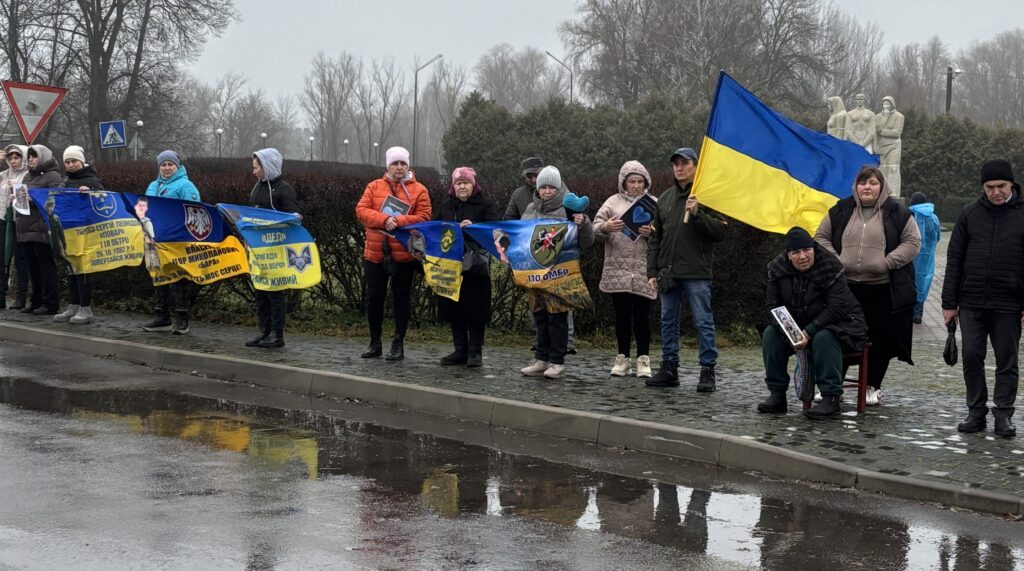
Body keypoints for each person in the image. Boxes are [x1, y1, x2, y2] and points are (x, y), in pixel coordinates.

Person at [815, 165, 921, 406]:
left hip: (882, 288)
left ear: (881, 186)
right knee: (838, 336)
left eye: (872, 183)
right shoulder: (841, 209)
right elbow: (820, 237)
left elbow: (913, 241)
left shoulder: (898, 212)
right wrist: (836, 260)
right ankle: (833, 385)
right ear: (856, 186)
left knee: (879, 339)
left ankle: (872, 386)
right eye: (863, 182)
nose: (867, 187)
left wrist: (887, 263)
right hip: (846, 287)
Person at [942, 160, 1024, 438]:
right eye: (990, 187)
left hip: (1009, 302)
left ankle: (1003, 414)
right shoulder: (969, 214)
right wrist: (948, 304)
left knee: (1007, 359)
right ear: (983, 187)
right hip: (972, 300)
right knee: (971, 356)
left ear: (1011, 184)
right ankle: (976, 411)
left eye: (1001, 186)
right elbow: (954, 260)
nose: (996, 192)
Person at [758, 227, 867, 419]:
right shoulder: (777, 269)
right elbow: (773, 305)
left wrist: (808, 332)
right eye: (796, 252)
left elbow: (837, 307)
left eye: (806, 250)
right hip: (798, 324)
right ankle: (777, 394)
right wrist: (791, 333)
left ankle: (830, 398)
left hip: (842, 322)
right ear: (788, 255)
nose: (802, 257)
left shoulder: (830, 266)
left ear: (813, 249)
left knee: (824, 337)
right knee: (770, 334)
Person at [645, 147, 727, 391]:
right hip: (668, 272)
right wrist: (652, 271)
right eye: (676, 164)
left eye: (685, 163)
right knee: (668, 321)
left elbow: (721, 231)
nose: (679, 168)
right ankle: (669, 368)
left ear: (695, 166)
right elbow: (655, 238)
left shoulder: (707, 195)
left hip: (697, 273)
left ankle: (707, 371)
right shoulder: (666, 198)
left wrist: (698, 214)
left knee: (703, 321)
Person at [355, 146, 431, 361]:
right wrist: (383, 220)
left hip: (403, 255)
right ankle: (374, 342)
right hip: (376, 253)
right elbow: (361, 211)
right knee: (374, 298)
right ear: (388, 165)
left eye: (402, 163)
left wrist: (397, 221)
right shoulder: (374, 186)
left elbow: (424, 217)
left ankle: (398, 342)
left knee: (401, 299)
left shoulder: (420, 190)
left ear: (408, 165)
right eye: (395, 163)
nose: (399, 167)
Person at [519, 166, 594, 379]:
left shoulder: (568, 209)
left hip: (559, 273)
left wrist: (583, 224)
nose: (547, 191)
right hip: (534, 273)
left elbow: (587, 241)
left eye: (552, 187)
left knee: (557, 318)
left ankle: (557, 361)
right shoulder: (530, 209)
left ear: (559, 188)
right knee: (540, 317)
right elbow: (521, 238)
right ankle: (541, 358)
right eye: (544, 187)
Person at [593, 160, 658, 378]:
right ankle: (622, 358)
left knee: (642, 317)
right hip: (617, 269)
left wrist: (652, 232)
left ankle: (643, 359)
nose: (637, 185)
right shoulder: (611, 202)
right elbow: (594, 228)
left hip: (643, 269)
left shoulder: (654, 204)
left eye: (640, 181)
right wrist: (606, 227)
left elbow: (665, 234)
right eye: (632, 181)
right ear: (624, 182)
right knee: (621, 317)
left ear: (646, 182)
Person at [434, 166, 499, 367]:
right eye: (459, 183)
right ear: (453, 186)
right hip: (451, 264)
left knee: (476, 309)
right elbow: (436, 229)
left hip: (476, 265)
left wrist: (474, 227)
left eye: (466, 183)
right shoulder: (446, 205)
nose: (462, 186)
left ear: (473, 185)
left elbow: (495, 229)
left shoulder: (485, 204)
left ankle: (475, 352)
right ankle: (460, 350)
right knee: (454, 307)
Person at [142, 150, 201, 335]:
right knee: (158, 275)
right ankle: (162, 317)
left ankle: (182, 319)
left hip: (176, 240)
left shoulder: (186, 185)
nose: (167, 168)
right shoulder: (153, 185)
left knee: (179, 277)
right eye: (163, 165)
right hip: (154, 238)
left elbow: (194, 210)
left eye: (170, 164)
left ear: (177, 166)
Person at [246, 148, 299, 349]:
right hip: (258, 249)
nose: (254, 172)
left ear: (267, 167)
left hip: (276, 250)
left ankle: (277, 334)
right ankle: (264, 331)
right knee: (260, 291)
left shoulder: (285, 189)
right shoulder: (257, 188)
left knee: (275, 293)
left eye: (256, 168)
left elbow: (291, 219)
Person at [52, 145, 104, 325]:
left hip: (86, 232)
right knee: (71, 270)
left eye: (74, 161)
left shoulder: (92, 179)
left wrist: (91, 193)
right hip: (68, 232)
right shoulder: (64, 180)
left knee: (83, 270)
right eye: (67, 161)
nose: (71, 164)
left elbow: (104, 201)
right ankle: (73, 305)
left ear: (81, 162)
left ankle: (85, 307)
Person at [16, 145, 62, 315]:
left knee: (45, 267)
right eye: (29, 157)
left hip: (42, 228)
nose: (30, 160)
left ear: (42, 157)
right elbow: (24, 197)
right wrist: (17, 198)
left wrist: (33, 198)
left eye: (34, 157)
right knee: (33, 268)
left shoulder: (53, 176)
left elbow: (54, 200)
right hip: (26, 227)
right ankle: (35, 301)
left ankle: (50, 303)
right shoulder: (28, 176)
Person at [0, 145, 30, 310]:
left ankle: (21, 297)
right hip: (3, 220)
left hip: (20, 222)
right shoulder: (3, 175)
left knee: (20, 261)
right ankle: (1, 295)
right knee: (2, 258)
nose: (13, 161)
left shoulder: (27, 175)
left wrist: (16, 190)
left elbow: (25, 203)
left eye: (16, 157)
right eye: (10, 158)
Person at [908, 192, 941, 324]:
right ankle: (918, 313)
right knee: (923, 283)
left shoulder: (910, 215)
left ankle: (909, 311)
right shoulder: (934, 217)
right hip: (927, 257)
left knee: (910, 282)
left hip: (911, 256)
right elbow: (937, 237)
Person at [504, 157, 544, 221]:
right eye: (529, 176)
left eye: (536, 175)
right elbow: (509, 218)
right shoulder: (517, 194)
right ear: (525, 177)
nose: (534, 180)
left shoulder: (554, 192)